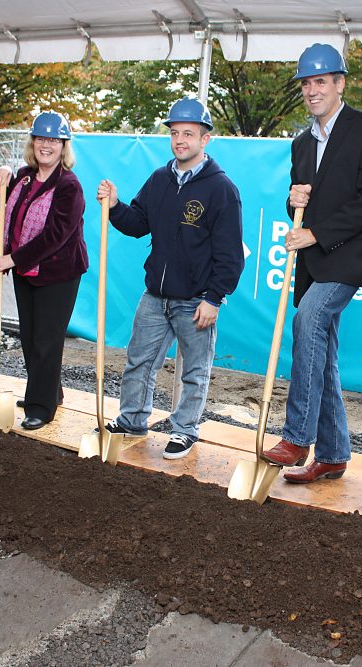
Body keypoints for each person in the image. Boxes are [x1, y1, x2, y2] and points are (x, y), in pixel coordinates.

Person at [259, 43, 362, 483]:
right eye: (306, 83)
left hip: (353, 254)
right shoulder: (302, 143)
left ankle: (298, 436)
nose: (312, 90)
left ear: (339, 84)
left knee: (309, 318)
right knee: (326, 352)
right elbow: (304, 203)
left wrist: (315, 233)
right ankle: (334, 453)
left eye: (321, 81)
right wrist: (291, 201)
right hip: (316, 260)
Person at [95, 97, 243, 459]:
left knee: (194, 371)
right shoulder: (160, 179)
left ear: (205, 138)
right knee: (138, 362)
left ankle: (184, 430)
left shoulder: (221, 189)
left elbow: (230, 255)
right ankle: (132, 420)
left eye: (188, 133)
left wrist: (214, 298)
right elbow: (137, 223)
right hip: (155, 296)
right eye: (175, 133)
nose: (180, 140)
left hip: (196, 299)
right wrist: (115, 206)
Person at [0, 112, 88, 431]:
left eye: (54, 141)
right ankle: (49, 391)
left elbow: (55, 236)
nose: (46, 146)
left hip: (58, 273)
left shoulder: (68, 186)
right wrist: (0, 173)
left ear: (63, 146)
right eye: (41, 139)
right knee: (31, 337)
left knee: (47, 339)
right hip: (25, 272)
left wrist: (12, 259)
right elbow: (12, 204)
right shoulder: (24, 176)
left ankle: (40, 407)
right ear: (33, 143)